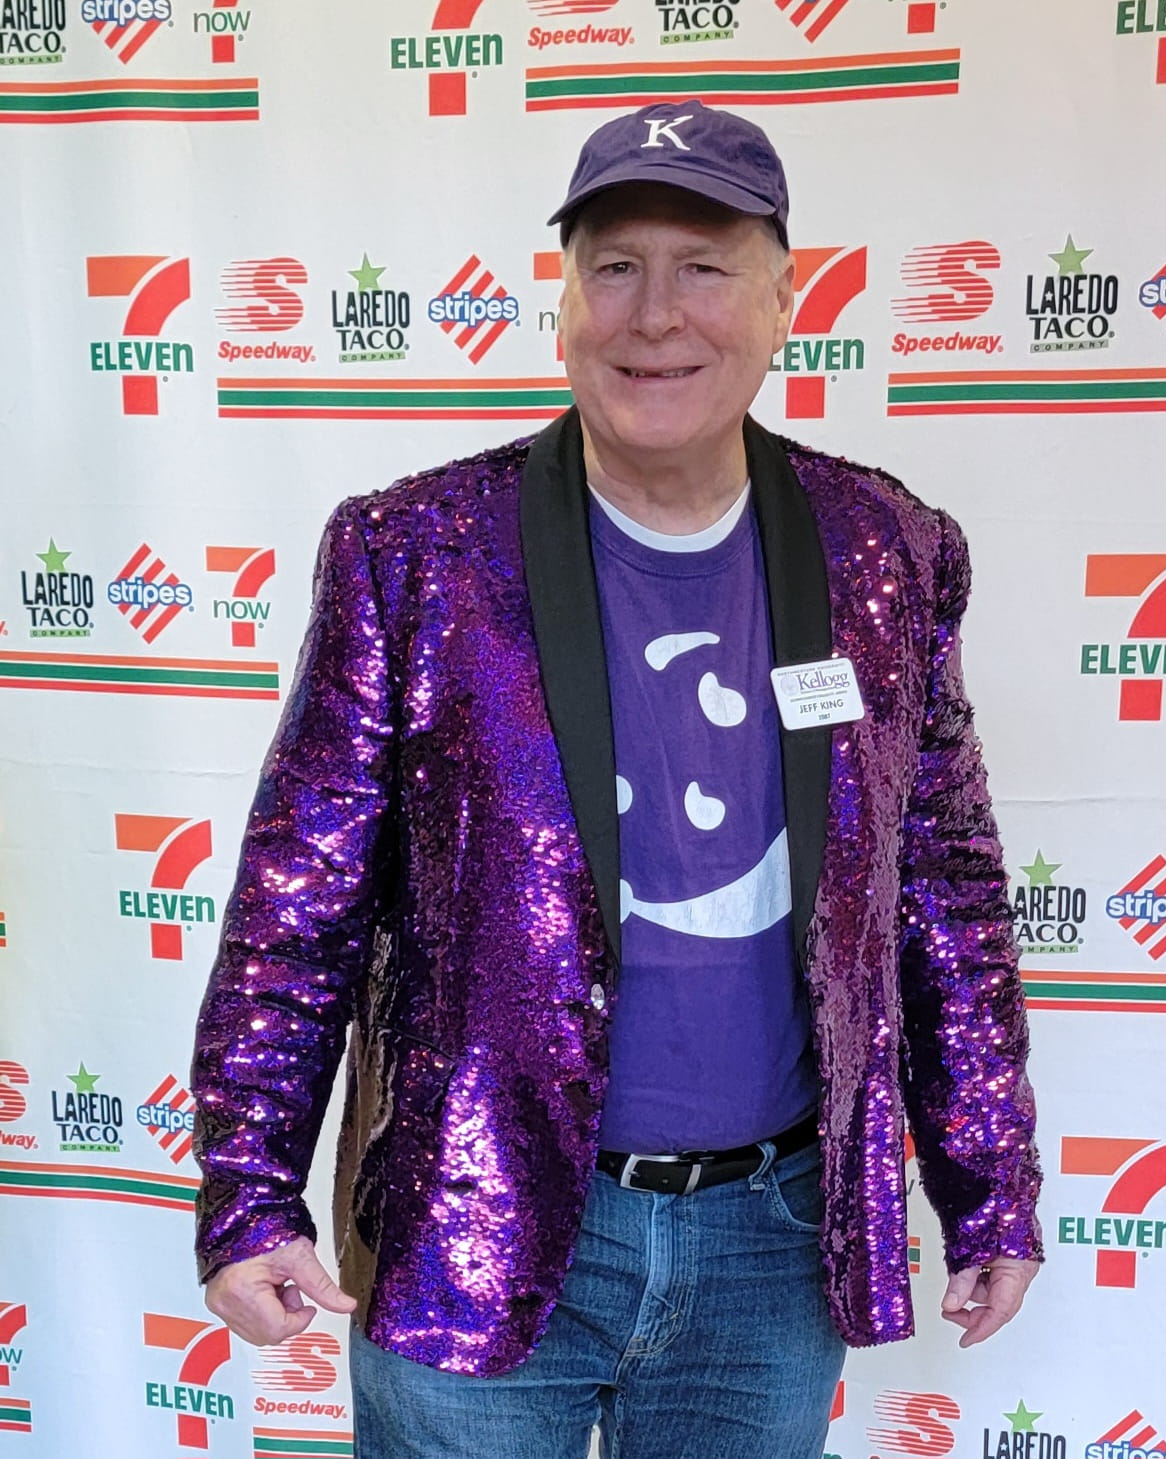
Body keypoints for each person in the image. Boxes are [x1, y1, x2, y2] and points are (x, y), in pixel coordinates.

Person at [191, 101, 1042, 1459]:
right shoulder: (411, 555)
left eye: (704, 266)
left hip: (770, 1245)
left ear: (784, 297)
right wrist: (247, 1192)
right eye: (615, 266)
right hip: (478, 1216)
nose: (658, 315)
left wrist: (989, 1186)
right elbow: (299, 908)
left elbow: (941, 886)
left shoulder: (888, 549)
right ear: (564, 301)